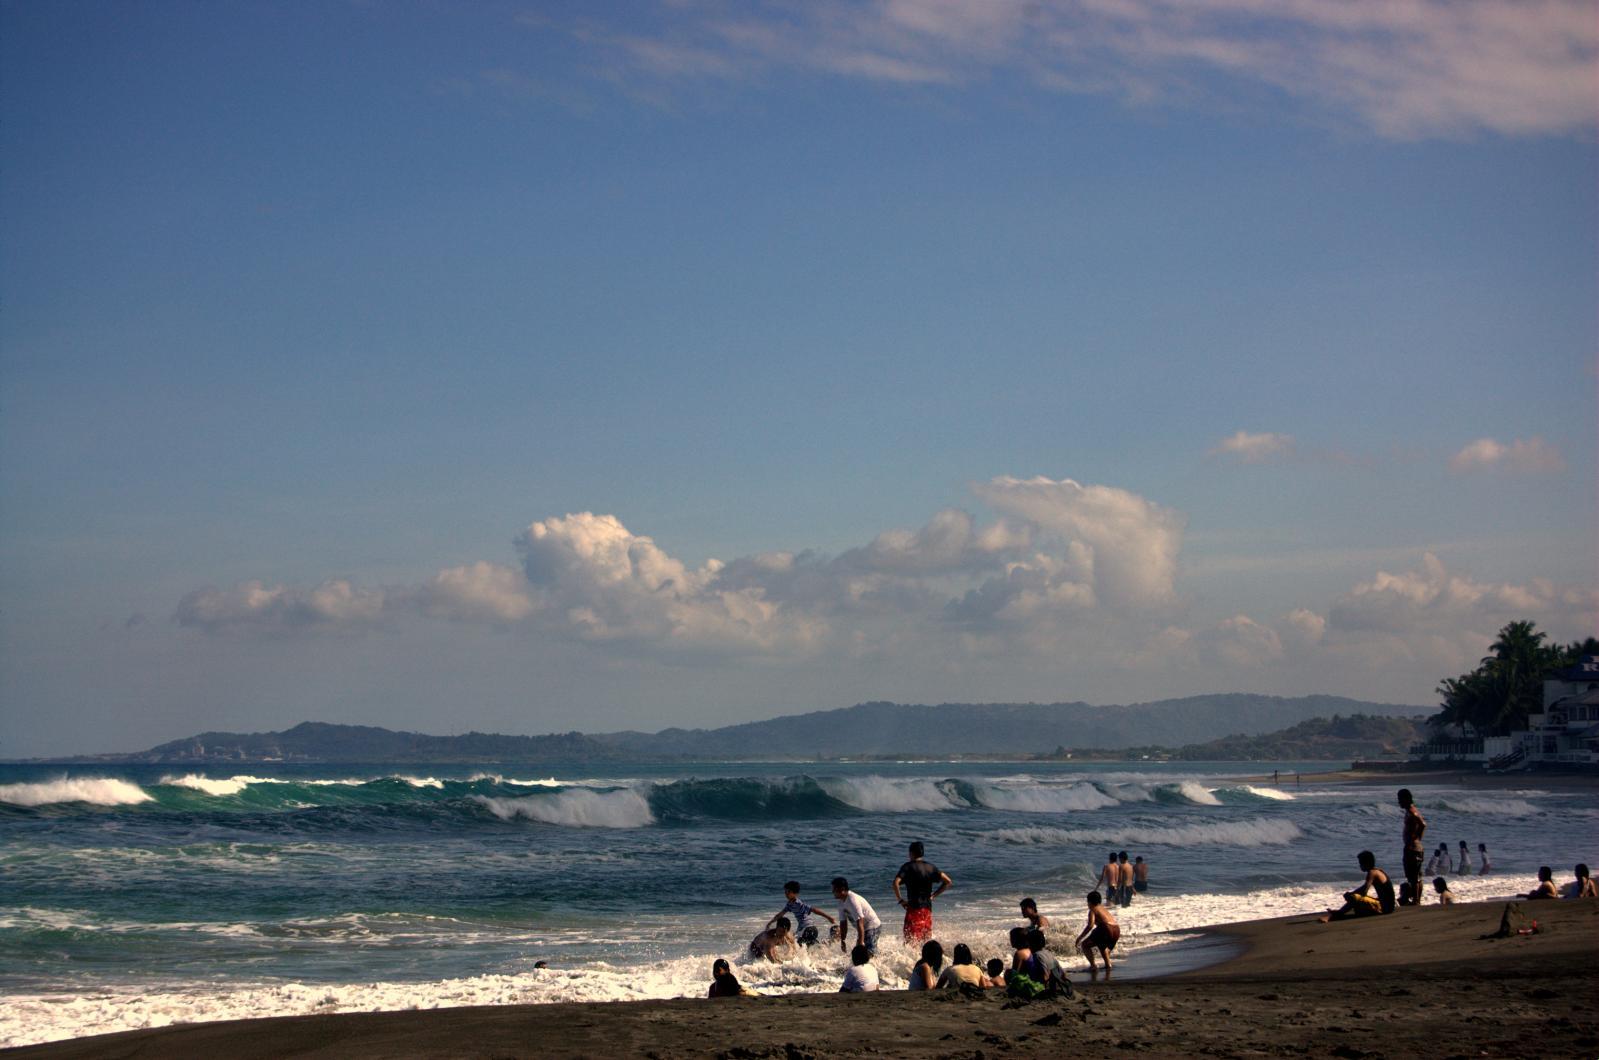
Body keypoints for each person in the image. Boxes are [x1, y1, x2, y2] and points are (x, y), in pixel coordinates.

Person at [893, 841, 951, 944]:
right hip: (927, 909)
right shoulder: (931, 867)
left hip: (914, 909)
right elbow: (948, 882)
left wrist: (901, 900)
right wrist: (933, 895)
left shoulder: (908, 867)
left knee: (910, 941)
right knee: (925, 940)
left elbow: (895, 883)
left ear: (911, 853)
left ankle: (912, 960)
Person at [1319, 850, 1396, 921]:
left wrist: (1351, 894)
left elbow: (1364, 891)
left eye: (1360, 863)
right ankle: (1340, 912)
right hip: (1389, 906)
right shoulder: (1378, 871)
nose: (1360, 866)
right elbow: (1363, 889)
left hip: (1385, 908)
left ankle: (1335, 916)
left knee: (1355, 897)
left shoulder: (1372, 873)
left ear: (1366, 863)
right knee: (1356, 899)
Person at [769, 880, 834, 946]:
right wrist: (771, 922)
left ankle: (825, 944)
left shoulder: (798, 903)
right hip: (809, 930)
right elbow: (780, 914)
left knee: (796, 944)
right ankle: (826, 944)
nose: (786, 894)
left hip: (808, 929)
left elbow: (814, 910)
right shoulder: (790, 904)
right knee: (807, 946)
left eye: (788, 892)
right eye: (785, 891)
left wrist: (828, 917)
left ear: (795, 893)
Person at [832, 877, 882, 955]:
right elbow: (843, 924)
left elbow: (860, 921)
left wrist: (861, 942)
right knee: (859, 955)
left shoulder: (852, 900)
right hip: (863, 928)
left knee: (869, 952)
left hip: (872, 926)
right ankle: (884, 958)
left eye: (834, 889)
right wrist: (843, 941)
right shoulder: (840, 902)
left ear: (842, 889)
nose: (832, 892)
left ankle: (879, 963)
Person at [1076, 890, 1120, 975]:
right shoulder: (1103, 908)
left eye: (1087, 902)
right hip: (1116, 929)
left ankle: (1093, 966)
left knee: (1085, 945)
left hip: (1107, 928)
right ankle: (1108, 965)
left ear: (1090, 902)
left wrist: (1080, 938)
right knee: (1102, 945)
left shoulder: (1093, 910)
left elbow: (1090, 925)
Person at [1397, 789, 1426, 906]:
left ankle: (1416, 901)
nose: (1399, 802)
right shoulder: (1411, 810)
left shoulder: (1411, 811)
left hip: (1412, 849)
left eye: (1400, 799)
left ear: (1406, 799)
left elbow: (1423, 824)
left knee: (1413, 876)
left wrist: (1416, 838)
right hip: (1415, 848)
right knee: (1417, 876)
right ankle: (1416, 900)